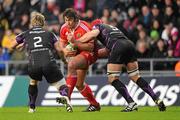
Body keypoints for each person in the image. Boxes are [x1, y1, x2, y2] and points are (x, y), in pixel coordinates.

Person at [68, 19, 166, 112]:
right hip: (130, 45)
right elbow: (106, 51)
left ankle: (131, 103)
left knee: (112, 79)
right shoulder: (112, 29)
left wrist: (75, 42)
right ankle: (157, 99)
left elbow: (93, 34)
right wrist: (94, 54)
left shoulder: (97, 26)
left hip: (118, 46)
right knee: (135, 77)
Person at [10, 12, 73, 113]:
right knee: (61, 84)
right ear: (43, 23)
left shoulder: (26, 33)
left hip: (34, 64)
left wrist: (23, 44)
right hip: (49, 62)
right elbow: (60, 50)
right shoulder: (49, 33)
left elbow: (11, 45)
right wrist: (64, 60)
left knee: (33, 82)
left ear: (32, 22)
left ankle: (31, 108)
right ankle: (66, 99)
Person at [57, 8, 100, 112]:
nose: (67, 23)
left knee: (71, 64)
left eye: (70, 20)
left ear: (76, 19)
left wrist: (75, 43)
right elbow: (62, 43)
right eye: (66, 20)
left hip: (90, 53)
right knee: (79, 84)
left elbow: (90, 47)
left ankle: (67, 98)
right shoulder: (64, 28)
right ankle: (95, 105)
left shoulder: (85, 27)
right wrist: (64, 50)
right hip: (78, 54)